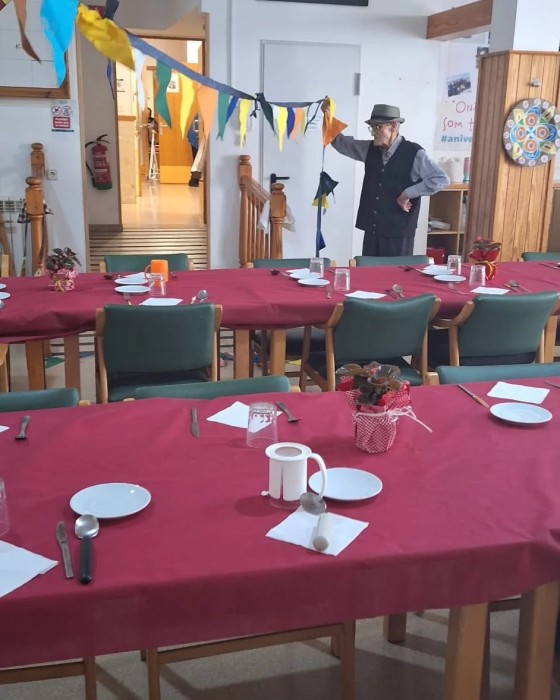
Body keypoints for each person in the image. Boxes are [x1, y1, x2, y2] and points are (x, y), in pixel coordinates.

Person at [326, 103, 449, 256]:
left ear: (393, 126)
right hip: (372, 232)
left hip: (398, 235)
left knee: (395, 272)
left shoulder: (414, 153)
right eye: (372, 127)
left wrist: (408, 193)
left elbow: (441, 179)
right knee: (368, 270)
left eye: (377, 127)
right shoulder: (370, 149)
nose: (373, 132)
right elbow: (342, 143)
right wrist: (328, 116)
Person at [187, 115, 200, 187]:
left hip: (195, 135)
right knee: (197, 159)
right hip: (195, 136)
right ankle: (194, 180)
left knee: (197, 159)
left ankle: (194, 180)